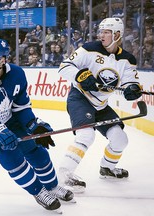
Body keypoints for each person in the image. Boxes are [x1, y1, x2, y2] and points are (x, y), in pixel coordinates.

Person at [0, 37, 74, 212]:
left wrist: (33, 124)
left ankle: (52, 187)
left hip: (7, 120)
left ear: (3, 60)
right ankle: (39, 192)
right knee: (9, 155)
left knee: (36, 151)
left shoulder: (17, 74)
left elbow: (21, 108)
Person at [57, 17, 143, 193]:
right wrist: (80, 75)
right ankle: (64, 174)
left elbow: (130, 82)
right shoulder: (88, 49)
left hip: (101, 105)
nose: (101, 35)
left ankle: (107, 168)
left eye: (106, 32)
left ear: (117, 35)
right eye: (101, 31)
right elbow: (64, 66)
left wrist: (132, 89)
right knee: (86, 135)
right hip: (80, 98)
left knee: (120, 139)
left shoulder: (128, 60)